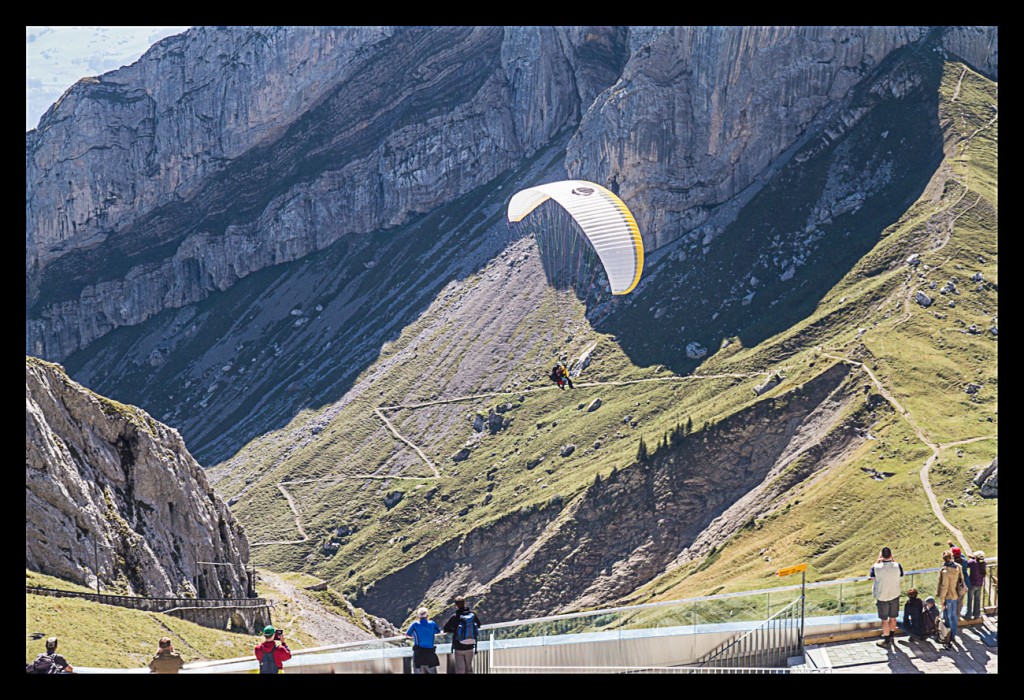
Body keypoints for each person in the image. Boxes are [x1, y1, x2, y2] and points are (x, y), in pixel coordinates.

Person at [868, 546, 904, 648]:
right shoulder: (897, 566)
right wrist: (893, 560)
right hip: (894, 594)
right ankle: (891, 635)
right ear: (891, 555)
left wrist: (878, 561)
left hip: (882, 596)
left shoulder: (876, 567)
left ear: (881, 555)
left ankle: (886, 640)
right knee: (893, 617)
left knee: (884, 619)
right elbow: (901, 574)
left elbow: (872, 577)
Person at [442, 595, 483, 674]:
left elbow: (446, 628)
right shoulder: (472, 615)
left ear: (456, 605)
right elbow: (478, 624)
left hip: (459, 646)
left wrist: (454, 630)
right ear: (465, 603)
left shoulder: (455, 617)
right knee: (469, 668)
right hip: (470, 645)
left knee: (460, 669)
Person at [937, 550, 966, 649]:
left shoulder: (945, 571)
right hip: (955, 594)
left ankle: (948, 636)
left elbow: (944, 586)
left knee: (949, 616)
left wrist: (942, 599)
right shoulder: (957, 567)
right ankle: (953, 635)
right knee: (954, 616)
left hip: (948, 596)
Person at [405, 607, 441, 674]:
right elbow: (438, 631)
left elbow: (407, 634)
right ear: (427, 616)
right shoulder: (432, 623)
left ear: (418, 616)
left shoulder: (415, 624)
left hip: (419, 654)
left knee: (418, 671)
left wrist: (414, 635)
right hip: (430, 653)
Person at [949, 542, 970, 619]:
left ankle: (953, 615)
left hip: (955, 583)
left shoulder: (953, 564)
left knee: (953, 600)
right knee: (960, 600)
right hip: (964, 584)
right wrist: (952, 545)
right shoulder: (964, 560)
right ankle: (958, 615)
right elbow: (960, 554)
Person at [966, 550, 987, 620]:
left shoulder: (972, 562)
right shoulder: (983, 563)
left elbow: (968, 564)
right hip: (979, 584)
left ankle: (968, 614)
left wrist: (971, 558)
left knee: (970, 599)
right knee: (977, 599)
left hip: (972, 584)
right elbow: (978, 562)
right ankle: (976, 614)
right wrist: (973, 558)